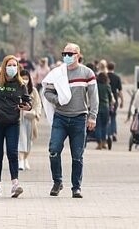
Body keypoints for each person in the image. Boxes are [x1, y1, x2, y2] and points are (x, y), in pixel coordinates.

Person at [42, 42, 99, 199]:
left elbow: (94, 97)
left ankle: (76, 187)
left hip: (79, 118)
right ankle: (57, 181)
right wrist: (57, 100)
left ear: (78, 55)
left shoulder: (87, 73)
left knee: (77, 155)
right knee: (54, 150)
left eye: (70, 54)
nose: (67, 57)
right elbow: (47, 92)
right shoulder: (58, 73)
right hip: (60, 117)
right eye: (64, 54)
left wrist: (92, 116)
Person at [0, 55, 32, 198]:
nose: (12, 68)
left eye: (14, 65)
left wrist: (27, 106)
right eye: (9, 65)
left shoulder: (21, 84)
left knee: (12, 152)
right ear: (4, 66)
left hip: (13, 123)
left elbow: (28, 100)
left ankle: (15, 184)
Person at [18, 68, 42, 169]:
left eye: (26, 78)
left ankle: (26, 158)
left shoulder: (34, 91)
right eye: (22, 78)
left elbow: (38, 104)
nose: (24, 80)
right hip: (19, 119)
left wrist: (35, 113)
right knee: (20, 140)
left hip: (31, 120)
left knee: (29, 141)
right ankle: (21, 161)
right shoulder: (16, 89)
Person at [94, 71, 112, 150]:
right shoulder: (107, 86)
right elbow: (110, 97)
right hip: (105, 107)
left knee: (98, 126)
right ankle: (104, 142)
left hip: (97, 107)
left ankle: (99, 143)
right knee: (104, 126)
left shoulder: (96, 86)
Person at [106, 62, 123, 142]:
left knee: (106, 118)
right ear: (114, 68)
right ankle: (114, 133)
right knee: (113, 117)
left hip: (106, 99)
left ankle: (107, 134)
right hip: (114, 99)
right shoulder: (117, 77)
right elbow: (120, 91)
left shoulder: (104, 76)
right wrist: (122, 100)